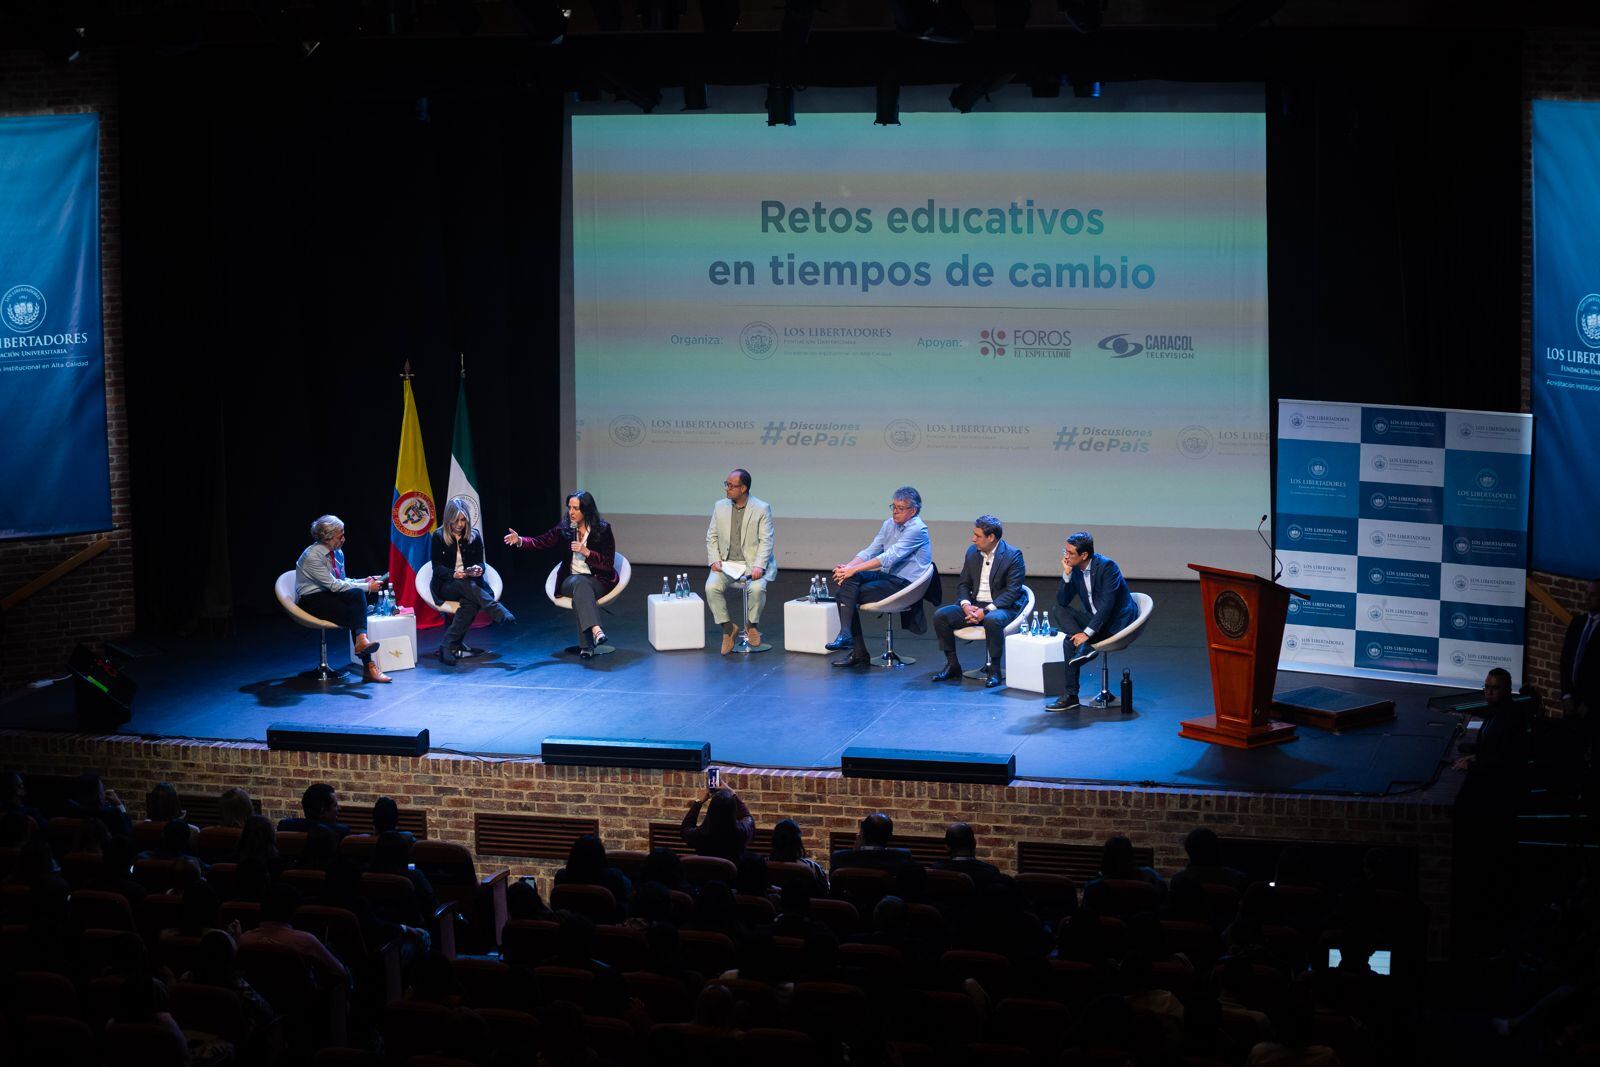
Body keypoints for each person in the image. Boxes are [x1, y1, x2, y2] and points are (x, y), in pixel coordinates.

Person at [505, 490, 619, 659]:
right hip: (570, 580)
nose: (571, 512)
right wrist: (520, 540)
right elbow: (541, 542)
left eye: (576, 508)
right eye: (569, 508)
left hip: (598, 580)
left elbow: (608, 564)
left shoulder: (602, 529)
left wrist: (587, 552)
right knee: (580, 583)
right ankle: (596, 629)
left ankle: (587, 646)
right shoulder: (565, 527)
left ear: (586, 510)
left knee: (582, 590)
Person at [827, 486, 933, 668]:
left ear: (913, 510)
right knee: (848, 582)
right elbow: (871, 550)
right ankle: (846, 636)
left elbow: (889, 556)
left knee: (846, 594)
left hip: (906, 584)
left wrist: (855, 570)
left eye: (900, 508)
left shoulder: (917, 529)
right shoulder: (888, 525)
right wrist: (848, 567)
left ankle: (856, 649)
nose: (895, 512)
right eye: (893, 506)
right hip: (888, 577)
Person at [1045, 530, 1138, 713]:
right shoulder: (1077, 570)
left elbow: (1107, 607)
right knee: (1059, 612)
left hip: (1115, 622)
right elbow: (1062, 601)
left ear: (1084, 554)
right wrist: (1067, 575)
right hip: (1096, 620)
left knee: (1071, 640)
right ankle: (1071, 696)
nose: (1066, 556)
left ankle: (1085, 644)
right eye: (1065, 551)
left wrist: (1086, 633)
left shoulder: (1107, 567)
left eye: (1070, 553)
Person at [931, 515, 1027, 688]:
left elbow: (1012, 592)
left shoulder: (1013, 556)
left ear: (991, 537)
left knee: (992, 619)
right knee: (941, 616)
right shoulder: (972, 552)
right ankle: (952, 665)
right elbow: (963, 584)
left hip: (1002, 606)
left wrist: (987, 610)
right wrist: (966, 605)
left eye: (978, 535)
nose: (973, 538)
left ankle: (994, 669)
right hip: (975, 605)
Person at [294, 513, 391, 683]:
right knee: (357, 603)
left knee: (356, 604)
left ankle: (363, 646)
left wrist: (364, 580)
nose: (344, 539)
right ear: (327, 537)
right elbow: (334, 586)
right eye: (341, 535)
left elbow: (341, 581)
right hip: (311, 600)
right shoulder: (312, 556)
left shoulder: (337, 553)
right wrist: (368, 587)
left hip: (328, 596)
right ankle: (368, 664)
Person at [430, 495, 515, 666]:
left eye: (463, 520)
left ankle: (447, 645)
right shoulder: (438, 536)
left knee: (470, 603)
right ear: (449, 520)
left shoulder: (474, 536)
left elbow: (481, 563)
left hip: (470, 585)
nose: (460, 524)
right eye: (456, 520)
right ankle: (497, 610)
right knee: (464, 583)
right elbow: (436, 567)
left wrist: (478, 570)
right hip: (446, 585)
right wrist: (454, 574)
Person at [705, 468, 776, 654]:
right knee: (711, 588)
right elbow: (711, 536)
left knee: (757, 588)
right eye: (726, 484)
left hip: (752, 564)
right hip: (727, 564)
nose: (726, 489)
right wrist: (714, 560)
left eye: (731, 485)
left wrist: (760, 565)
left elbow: (766, 540)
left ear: (743, 488)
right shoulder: (720, 506)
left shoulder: (761, 508)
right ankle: (728, 628)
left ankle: (751, 625)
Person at [680, 784, 755, 863]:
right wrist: (733, 793)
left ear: (711, 811)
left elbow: (686, 828)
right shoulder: (742, 833)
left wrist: (699, 801)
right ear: (733, 811)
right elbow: (747, 817)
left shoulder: (700, 835)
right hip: (734, 874)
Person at [829, 812, 919, 877]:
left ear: (862, 835)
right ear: (890, 836)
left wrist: (855, 852)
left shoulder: (840, 858)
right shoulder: (903, 857)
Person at [1561, 577, 1600, 723]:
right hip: (1571, 703)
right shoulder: (1578, 622)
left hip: (1593, 707)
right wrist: (1566, 695)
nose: (1587, 598)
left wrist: (1590, 702)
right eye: (1587, 593)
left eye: (1593, 595)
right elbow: (1565, 661)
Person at [276, 782, 351, 839]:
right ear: (323, 811)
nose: (339, 808)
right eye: (335, 805)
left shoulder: (286, 828)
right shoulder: (340, 833)